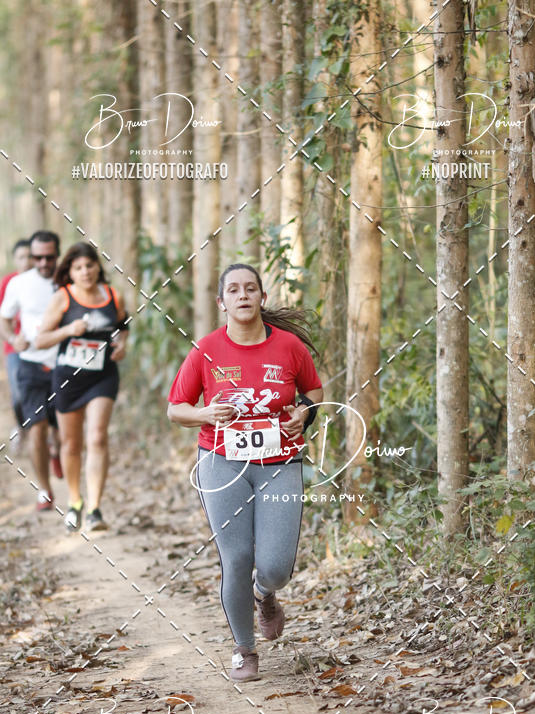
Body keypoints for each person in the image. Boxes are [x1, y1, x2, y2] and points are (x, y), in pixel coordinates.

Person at [167, 263, 323, 682]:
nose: (243, 295)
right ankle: (244, 649)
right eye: (233, 290)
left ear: (261, 297)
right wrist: (204, 413)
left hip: (279, 461)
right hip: (221, 462)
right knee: (236, 558)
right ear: (222, 303)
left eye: (250, 288)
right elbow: (176, 409)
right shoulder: (205, 350)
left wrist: (304, 413)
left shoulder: (289, 347)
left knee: (276, 566)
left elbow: (313, 390)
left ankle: (264, 593)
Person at [35, 242, 129, 532]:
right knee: (71, 444)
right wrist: (68, 329)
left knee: (97, 437)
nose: (85, 272)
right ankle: (75, 501)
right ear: (70, 272)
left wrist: (122, 345)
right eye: (78, 268)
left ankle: (94, 509)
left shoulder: (113, 295)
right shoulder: (63, 298)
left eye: (89, 265)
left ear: (98, 267)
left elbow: (123, 326)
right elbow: (41, 340)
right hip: (69, 378)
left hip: (102, 375)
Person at [0, 231, 63, 510]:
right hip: (30, 364)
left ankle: (56, 451)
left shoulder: (69, 279)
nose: (43, 263)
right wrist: (13, 339)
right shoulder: (18, 283)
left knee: (61, 431)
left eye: (49, 257)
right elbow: (4, 319)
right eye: (38, 257)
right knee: (36, 430)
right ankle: (45, 490)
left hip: (64, 365)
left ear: (57, 254)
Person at [0, 239, 32, 442]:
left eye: (30, 256)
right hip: (14, 348)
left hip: (41, 347)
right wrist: (11, 338)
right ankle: (21, 426)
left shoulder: (44, 281)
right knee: (18, 394)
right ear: (14, 259)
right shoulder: (8, 282)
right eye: (21, 257)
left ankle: (42, 431)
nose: (26, 261)